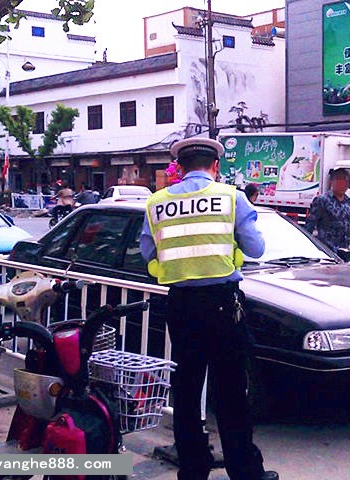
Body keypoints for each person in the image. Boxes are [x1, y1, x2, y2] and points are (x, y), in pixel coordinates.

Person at [140, 137, 278, 480]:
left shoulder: (156, 203)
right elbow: (257, 248)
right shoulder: (232, 198)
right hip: (222, 305)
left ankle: (192, 468)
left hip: (181, 307)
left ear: (180, 168)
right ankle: (244, 471)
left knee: (186, 389)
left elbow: (148, 254)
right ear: (215, 166)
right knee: (231, 390)